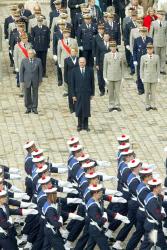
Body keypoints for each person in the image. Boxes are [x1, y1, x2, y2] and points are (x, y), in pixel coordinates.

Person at [71, 57, 95, 131]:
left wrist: (92, 93)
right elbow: (72, 84)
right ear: (78, 63)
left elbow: (92, 82)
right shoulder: (74, 71)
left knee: (86, 109)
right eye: (80, 62)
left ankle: (85, 125)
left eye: (83, 62)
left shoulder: (90, 70)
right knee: (79, 109)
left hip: (86, 93)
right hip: (78, 93)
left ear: (85, 62)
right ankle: (79, 125)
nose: (82, 64)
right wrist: (73, 95)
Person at [19, 49, 43, 114]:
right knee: (27, 94)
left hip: (35, 79)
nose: (30, 55)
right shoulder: (24, 61)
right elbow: (21, 71)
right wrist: (21, 80)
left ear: (34, 54)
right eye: (29, 53)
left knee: (35, 94)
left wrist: (40, 80)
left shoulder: (38, 61)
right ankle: (28, 107)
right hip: (26, 80)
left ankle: (34, 107)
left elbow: (40, 71)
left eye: (31, 53)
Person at [103, 41, 124, 112]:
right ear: (109, 47)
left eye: (114, 46)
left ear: (116, 47)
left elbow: (122, 67)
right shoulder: (106, 55)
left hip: (118, 76)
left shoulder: (120, 55)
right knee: (111, 92)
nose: (113, 48)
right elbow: (105, 66)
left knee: (117, 92)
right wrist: (105, 77)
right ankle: (111, 105)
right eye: (111, 46)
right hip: (110, 76)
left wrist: (123, 76)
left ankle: (117, 105)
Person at [57, 28, 78, 96]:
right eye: (64, 33)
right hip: (64, 61)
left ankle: (74, 89)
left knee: (74, 75)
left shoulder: (74, 41)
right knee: (65, 76)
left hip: (73, 60)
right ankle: (66, 90)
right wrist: (59, 62)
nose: (66, 34)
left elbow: (77, 51)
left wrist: (77, 60)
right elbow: (59, 53)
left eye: (67, 33)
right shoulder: (60, 42)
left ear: (69, 34)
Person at [133, 26, 153, 95]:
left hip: (148, 59)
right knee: (139, 75)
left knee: (148, 74)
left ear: (146, 32)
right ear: (140, 32)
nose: (143, 33)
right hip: (139, 60)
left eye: (144, 32)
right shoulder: (137, 40)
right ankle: (140, 89)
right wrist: (134, 60)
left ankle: (148, 89)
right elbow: (135, 51)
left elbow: (152, 50)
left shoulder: (150, 39)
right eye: (142, 32)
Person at [140, 43, 160, 111]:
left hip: (154, 77)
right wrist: (142, 77)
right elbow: (141, 68)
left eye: (151, 49)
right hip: (146, 77)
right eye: (148, 49)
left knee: (153, 92)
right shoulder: (143, 57)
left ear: (153, 49)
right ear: (146, 49)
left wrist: (158, 77)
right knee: (147, 92)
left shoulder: (156, 57)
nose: (150, 50)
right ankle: (147, 105)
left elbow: (158, 68)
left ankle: (153, 104)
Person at [150, 10, 167, 75]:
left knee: (163, 56)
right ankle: (156, 68)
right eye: (160, 15)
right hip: (156, 42)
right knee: (156, 56)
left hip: (163, 42)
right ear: (157, 15)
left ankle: (162, 69)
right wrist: (150, 42)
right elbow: (151, 33)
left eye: (163, 15)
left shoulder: (165, 23)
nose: (162, 16)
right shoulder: (153, 23)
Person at [64, 47, 79, 113]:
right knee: (70, 94)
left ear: (76, 52)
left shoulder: (79, 59)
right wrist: (66, 79)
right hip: (70, 79)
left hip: (77, 79)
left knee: (77, 93)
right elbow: (65, 71)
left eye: (74, 51)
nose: (73, 53)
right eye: (72, 51)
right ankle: (71, 107)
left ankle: (76, 106)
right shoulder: (67, 60)